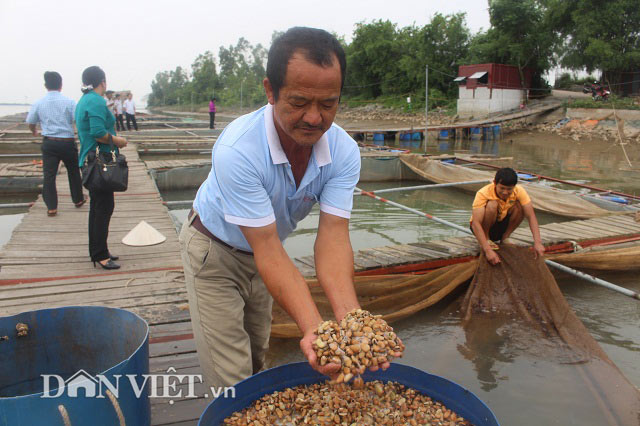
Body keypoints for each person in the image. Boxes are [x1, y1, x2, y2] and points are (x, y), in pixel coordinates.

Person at [179, 27, 398, 389]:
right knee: (232, 378)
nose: (314, 118)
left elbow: (332, 237)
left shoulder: (343, 152)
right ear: (270, 91)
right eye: (298, 103)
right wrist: (314, 328)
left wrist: (353, 321)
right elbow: (266, 246)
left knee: (257, 352)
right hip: (214, 253)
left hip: (266, 255)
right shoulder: (238, 150)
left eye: (328, 104)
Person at [75, 66, 128, 270]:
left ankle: (98, 250)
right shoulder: (96, 100)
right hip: (98, 162)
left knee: (98, 207)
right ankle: (100, 254)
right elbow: (98, 132)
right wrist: (118, 141)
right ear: (103, 82)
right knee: (103, 208)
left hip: (90, 161)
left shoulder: (84, 101)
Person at [25, 71, 85, 217]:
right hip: (67, 142)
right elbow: (77, 120)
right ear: (61, 85)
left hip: (49, 142)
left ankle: (52, 207)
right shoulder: (70, 102)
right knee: (74, 172)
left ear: (46, 85)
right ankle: (77, 199)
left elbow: (31, 122)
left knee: (49, 175)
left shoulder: (39, 103)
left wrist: (34, 131)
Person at [470, 167, 545, 265]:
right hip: (482, 228)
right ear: (494, 183)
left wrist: (538, 243)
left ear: (514, 186)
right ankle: (487, 239)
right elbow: (476, 223)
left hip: (501, 225)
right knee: (492, 204)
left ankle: (505, 238)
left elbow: (531, 216)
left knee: (521, 206)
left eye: (509, 189)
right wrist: (487, 250)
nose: (505, 192)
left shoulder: (519, 191)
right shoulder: (483, 193)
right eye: (502, 188)